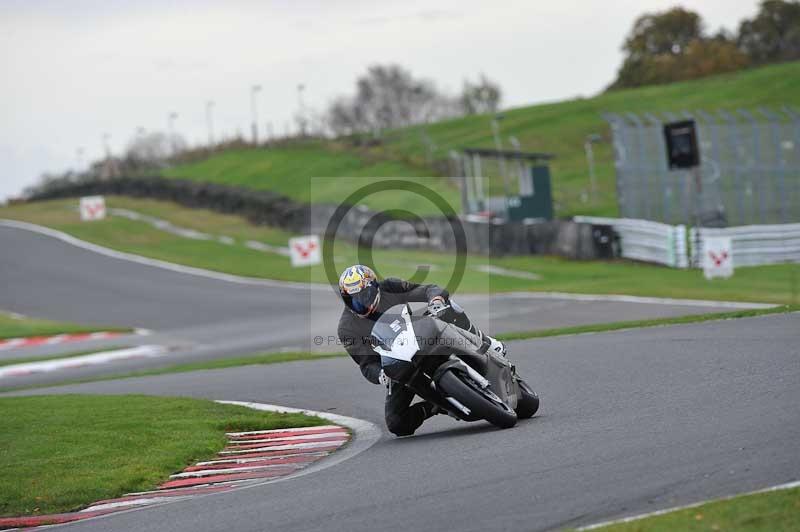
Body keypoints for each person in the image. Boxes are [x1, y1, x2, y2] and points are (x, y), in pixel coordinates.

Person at [336, 264, 506, 436]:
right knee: (396, 423)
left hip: (421, 333)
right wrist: (380, 375)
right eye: (352, 300)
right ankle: (435, 405)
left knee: (449, 307)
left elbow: (428, 289)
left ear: (374, 288)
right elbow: (366, 364)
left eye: (363, 296)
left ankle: (485, 341)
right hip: (397, 361)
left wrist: (436, 301)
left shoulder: (390, 287)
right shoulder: (346, 329)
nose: (359, 303)